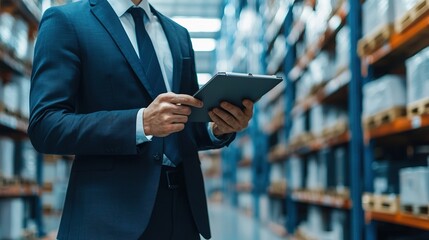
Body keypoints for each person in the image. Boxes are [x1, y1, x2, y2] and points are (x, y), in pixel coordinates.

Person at [28, 0, 254, 239]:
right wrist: (140, 123)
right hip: (108, 217)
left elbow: (186, 124)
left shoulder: (178, 35)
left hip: (182, 214)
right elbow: (46, 125)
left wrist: (217, 128)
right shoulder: (67, 22)